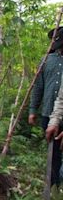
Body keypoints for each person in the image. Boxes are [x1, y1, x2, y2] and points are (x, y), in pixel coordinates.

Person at [29, 26, 63, 187]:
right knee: (54, 154)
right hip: (49, 114)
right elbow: (38, 87)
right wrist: (32, 110)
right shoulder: (46, 61)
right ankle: (54, 187)